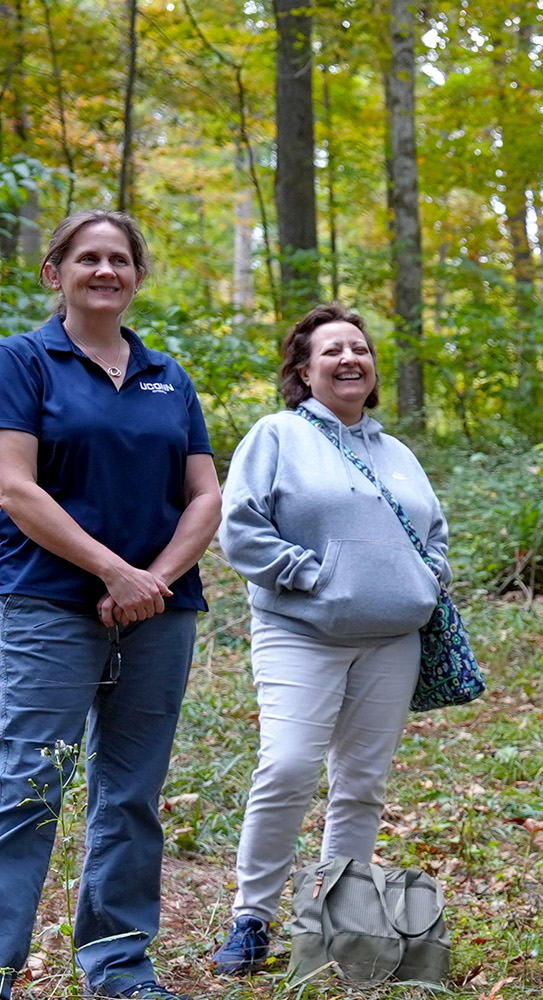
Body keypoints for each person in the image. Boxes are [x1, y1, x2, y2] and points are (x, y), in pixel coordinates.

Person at [0, 211, 222, 1000]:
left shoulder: (170, 375)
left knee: (131, 794)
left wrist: (151, 580)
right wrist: (112, 573)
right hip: (47, 604)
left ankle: (120, 968)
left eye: (120, 259)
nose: (105, 270)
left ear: (137, 275)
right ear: (53, 272)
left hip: (161, 613)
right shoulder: (22, 362)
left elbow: (204, 496)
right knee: (26, 787)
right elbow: (14, 487)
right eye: (87, 257)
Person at [210, 303, 451, 975]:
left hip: (393, 642)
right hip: (302, 634)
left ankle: (333, 925)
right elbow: (242, 525)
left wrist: (426, 581)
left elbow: (434, 534)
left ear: (373, 368)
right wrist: (310, 577)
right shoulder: (277, 435)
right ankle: (251, 919)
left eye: (360, 349)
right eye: (332, 351)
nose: (350, 358)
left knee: (361, 784)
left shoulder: (397, 452)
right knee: (287, 764)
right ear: (303, 371)